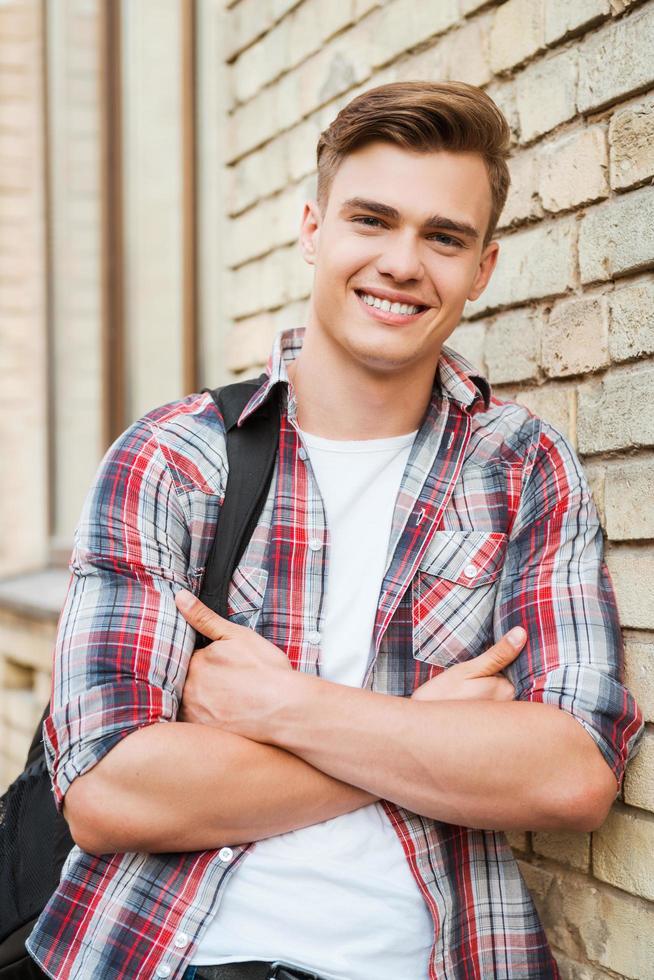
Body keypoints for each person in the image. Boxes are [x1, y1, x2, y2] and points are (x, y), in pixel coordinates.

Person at [26, 81, 643, 980]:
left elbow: (572, 775)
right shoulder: (174, 458)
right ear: (312, 227)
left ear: (484, 268)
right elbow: (107, 793)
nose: (402, 262)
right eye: (371, 220)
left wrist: (283, 708)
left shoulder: (521, 468)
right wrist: (421, 738)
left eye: (443, 237)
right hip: (173, 953)